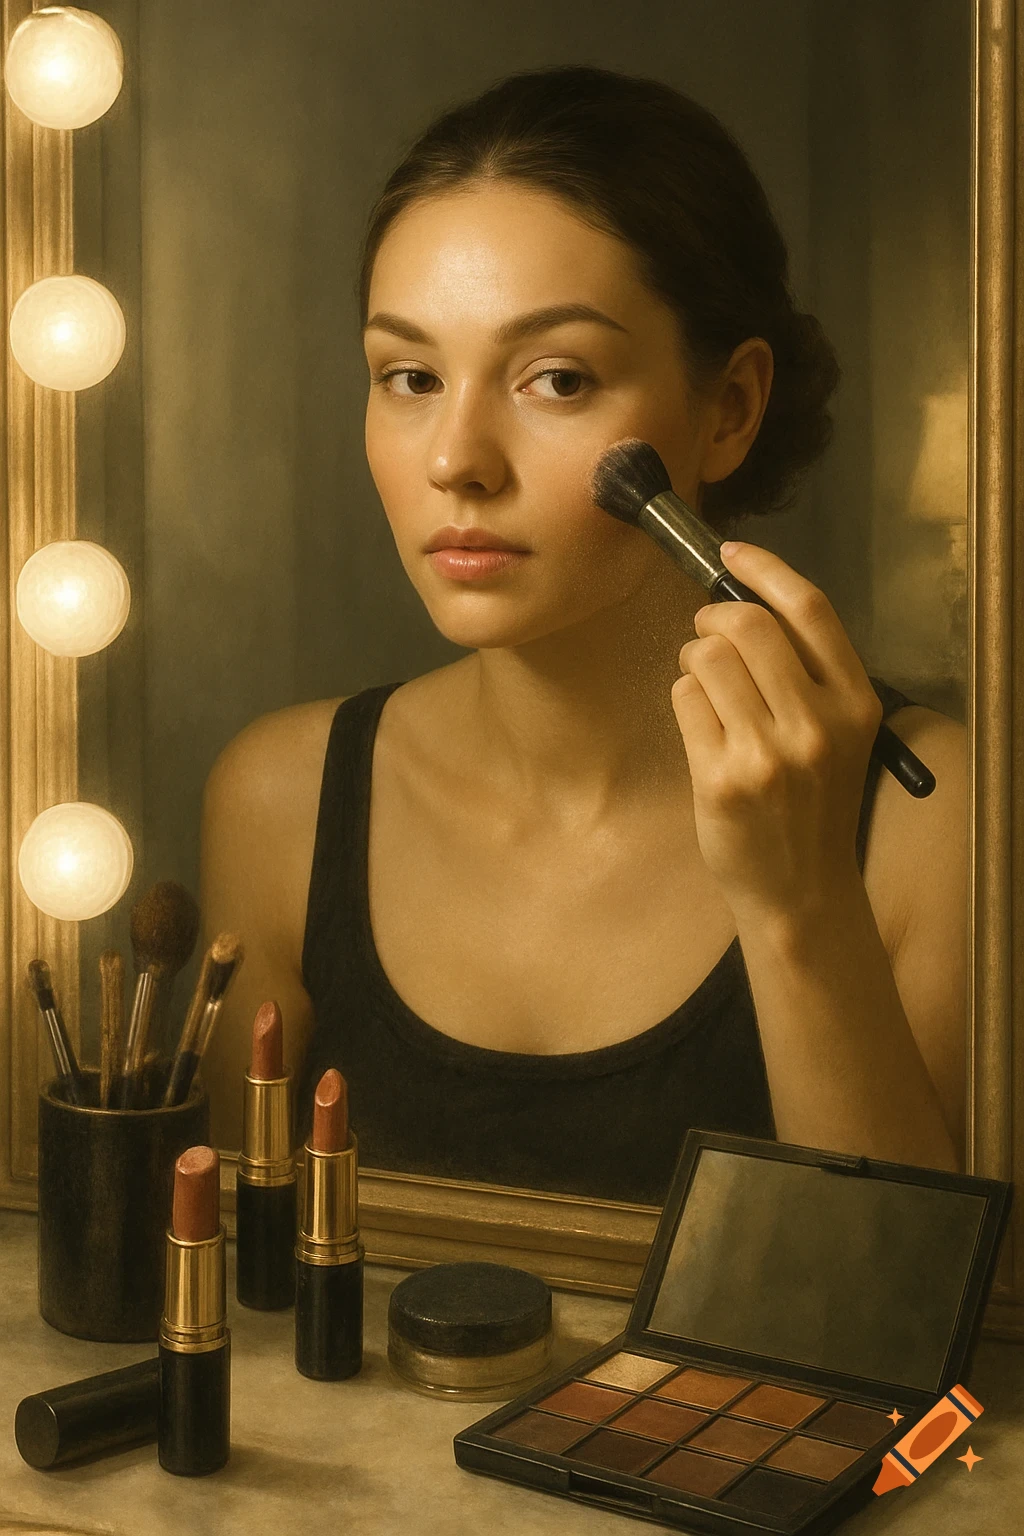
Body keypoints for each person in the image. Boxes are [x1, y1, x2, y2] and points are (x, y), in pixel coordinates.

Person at [200, 66, 964, 1201]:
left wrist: (800, 905)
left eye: (556, 379)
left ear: (729, 409)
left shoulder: (933, 822)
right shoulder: (279, 802)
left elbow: (909, 1309)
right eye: (409, 376)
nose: (456, 458)